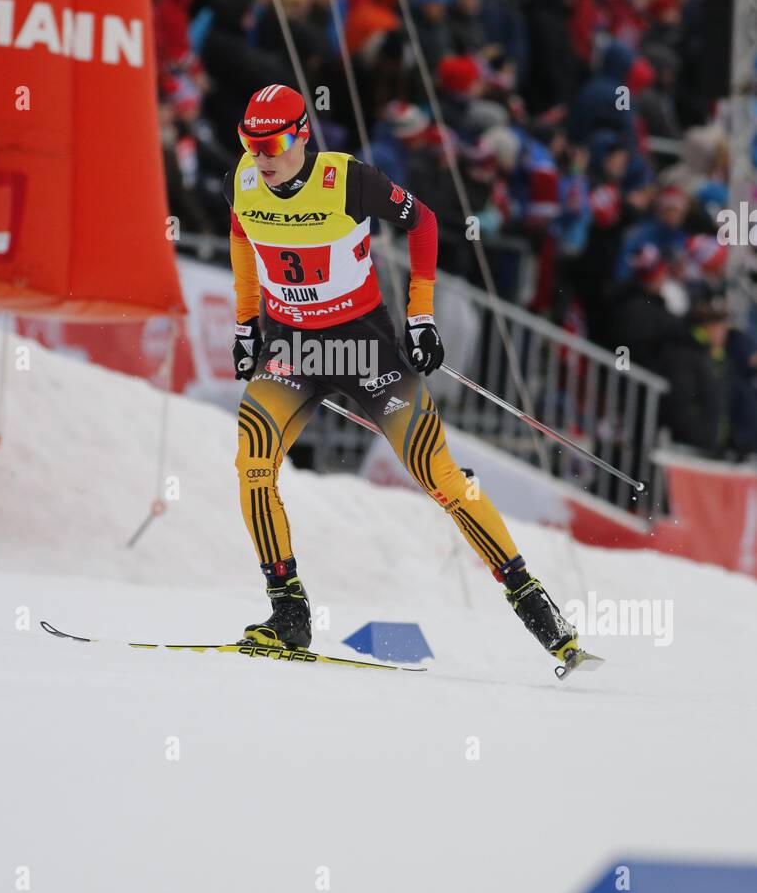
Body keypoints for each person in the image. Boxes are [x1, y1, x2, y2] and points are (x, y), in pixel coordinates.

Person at [223, 84, 584, 669]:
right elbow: (243, 238)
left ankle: (534, 604)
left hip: (364, 349)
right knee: (252, 463)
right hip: (291, 349)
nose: (261, 156)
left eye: (272, 143)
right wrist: (246, 324)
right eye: (250, 142)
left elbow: (424, 222)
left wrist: (421, 315)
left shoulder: (346, 179)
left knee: (439, 476)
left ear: (301, 136)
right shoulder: (242, 180)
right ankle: (288, 614)